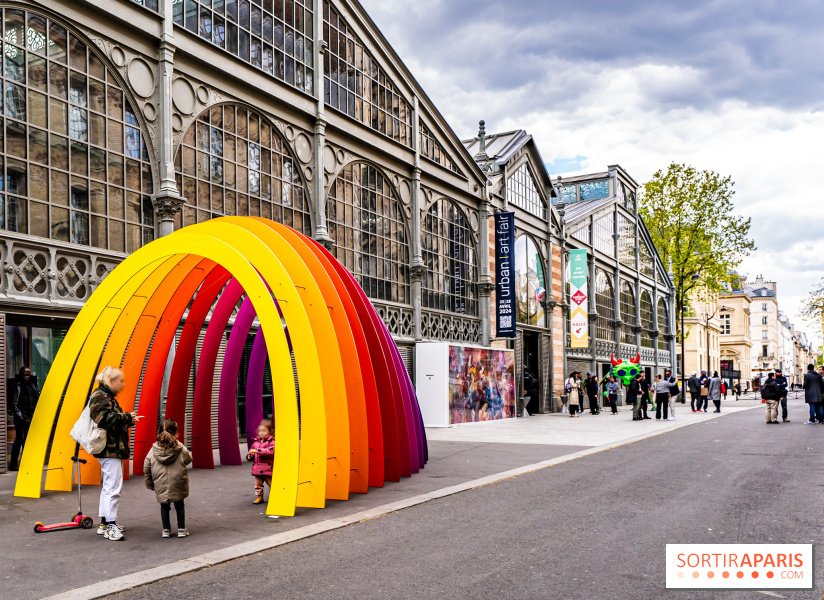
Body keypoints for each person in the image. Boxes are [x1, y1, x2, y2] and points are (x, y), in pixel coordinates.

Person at [89, 366, 140, 541]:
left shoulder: (104, 396)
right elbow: (103, 420)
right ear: (110, 381)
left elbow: (110, 420)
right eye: (120, 381)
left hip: (111, 449)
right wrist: (126, 417)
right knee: (113, 488)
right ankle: (110, 525)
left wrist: (127, 420)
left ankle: (105, 523)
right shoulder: (101, 397)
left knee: (108, 487)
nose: (122, 384)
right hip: (110, 450)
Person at [144, 418, 192, 538]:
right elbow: (188, 459)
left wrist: (150, 483)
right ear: (176, 433)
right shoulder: (179, 447)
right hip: (178, 480)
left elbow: (147, 466)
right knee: (179, 504)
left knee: (164, 505)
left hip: (160, 482)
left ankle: (166, 530)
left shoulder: (154, 449)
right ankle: (181, 529)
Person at [8, 366, 40, 471]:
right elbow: (14, 402)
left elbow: (36, 397)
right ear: (21, 374)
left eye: (28, 374)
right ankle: (13, 463)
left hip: (30, 415)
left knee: (27, 440)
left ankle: (26, 462)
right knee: (19, 439)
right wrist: (20, 415)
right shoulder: (17, 385)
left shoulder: (32, 384)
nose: (27, 376)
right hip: (20, 416)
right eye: (25, 374)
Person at [247, 419, 276, 501]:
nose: (261, 433)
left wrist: (258, 451)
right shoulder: (255, 442)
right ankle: (259, 496)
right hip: (257, 468)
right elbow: (251, 452)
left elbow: (271, 451)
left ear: (270, 431)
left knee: (271, 483)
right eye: (260, 431)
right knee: (258, 484)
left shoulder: (272, 442)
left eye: (264, 431)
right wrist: (250, 456)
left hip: (268, 468)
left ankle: (274, 496)